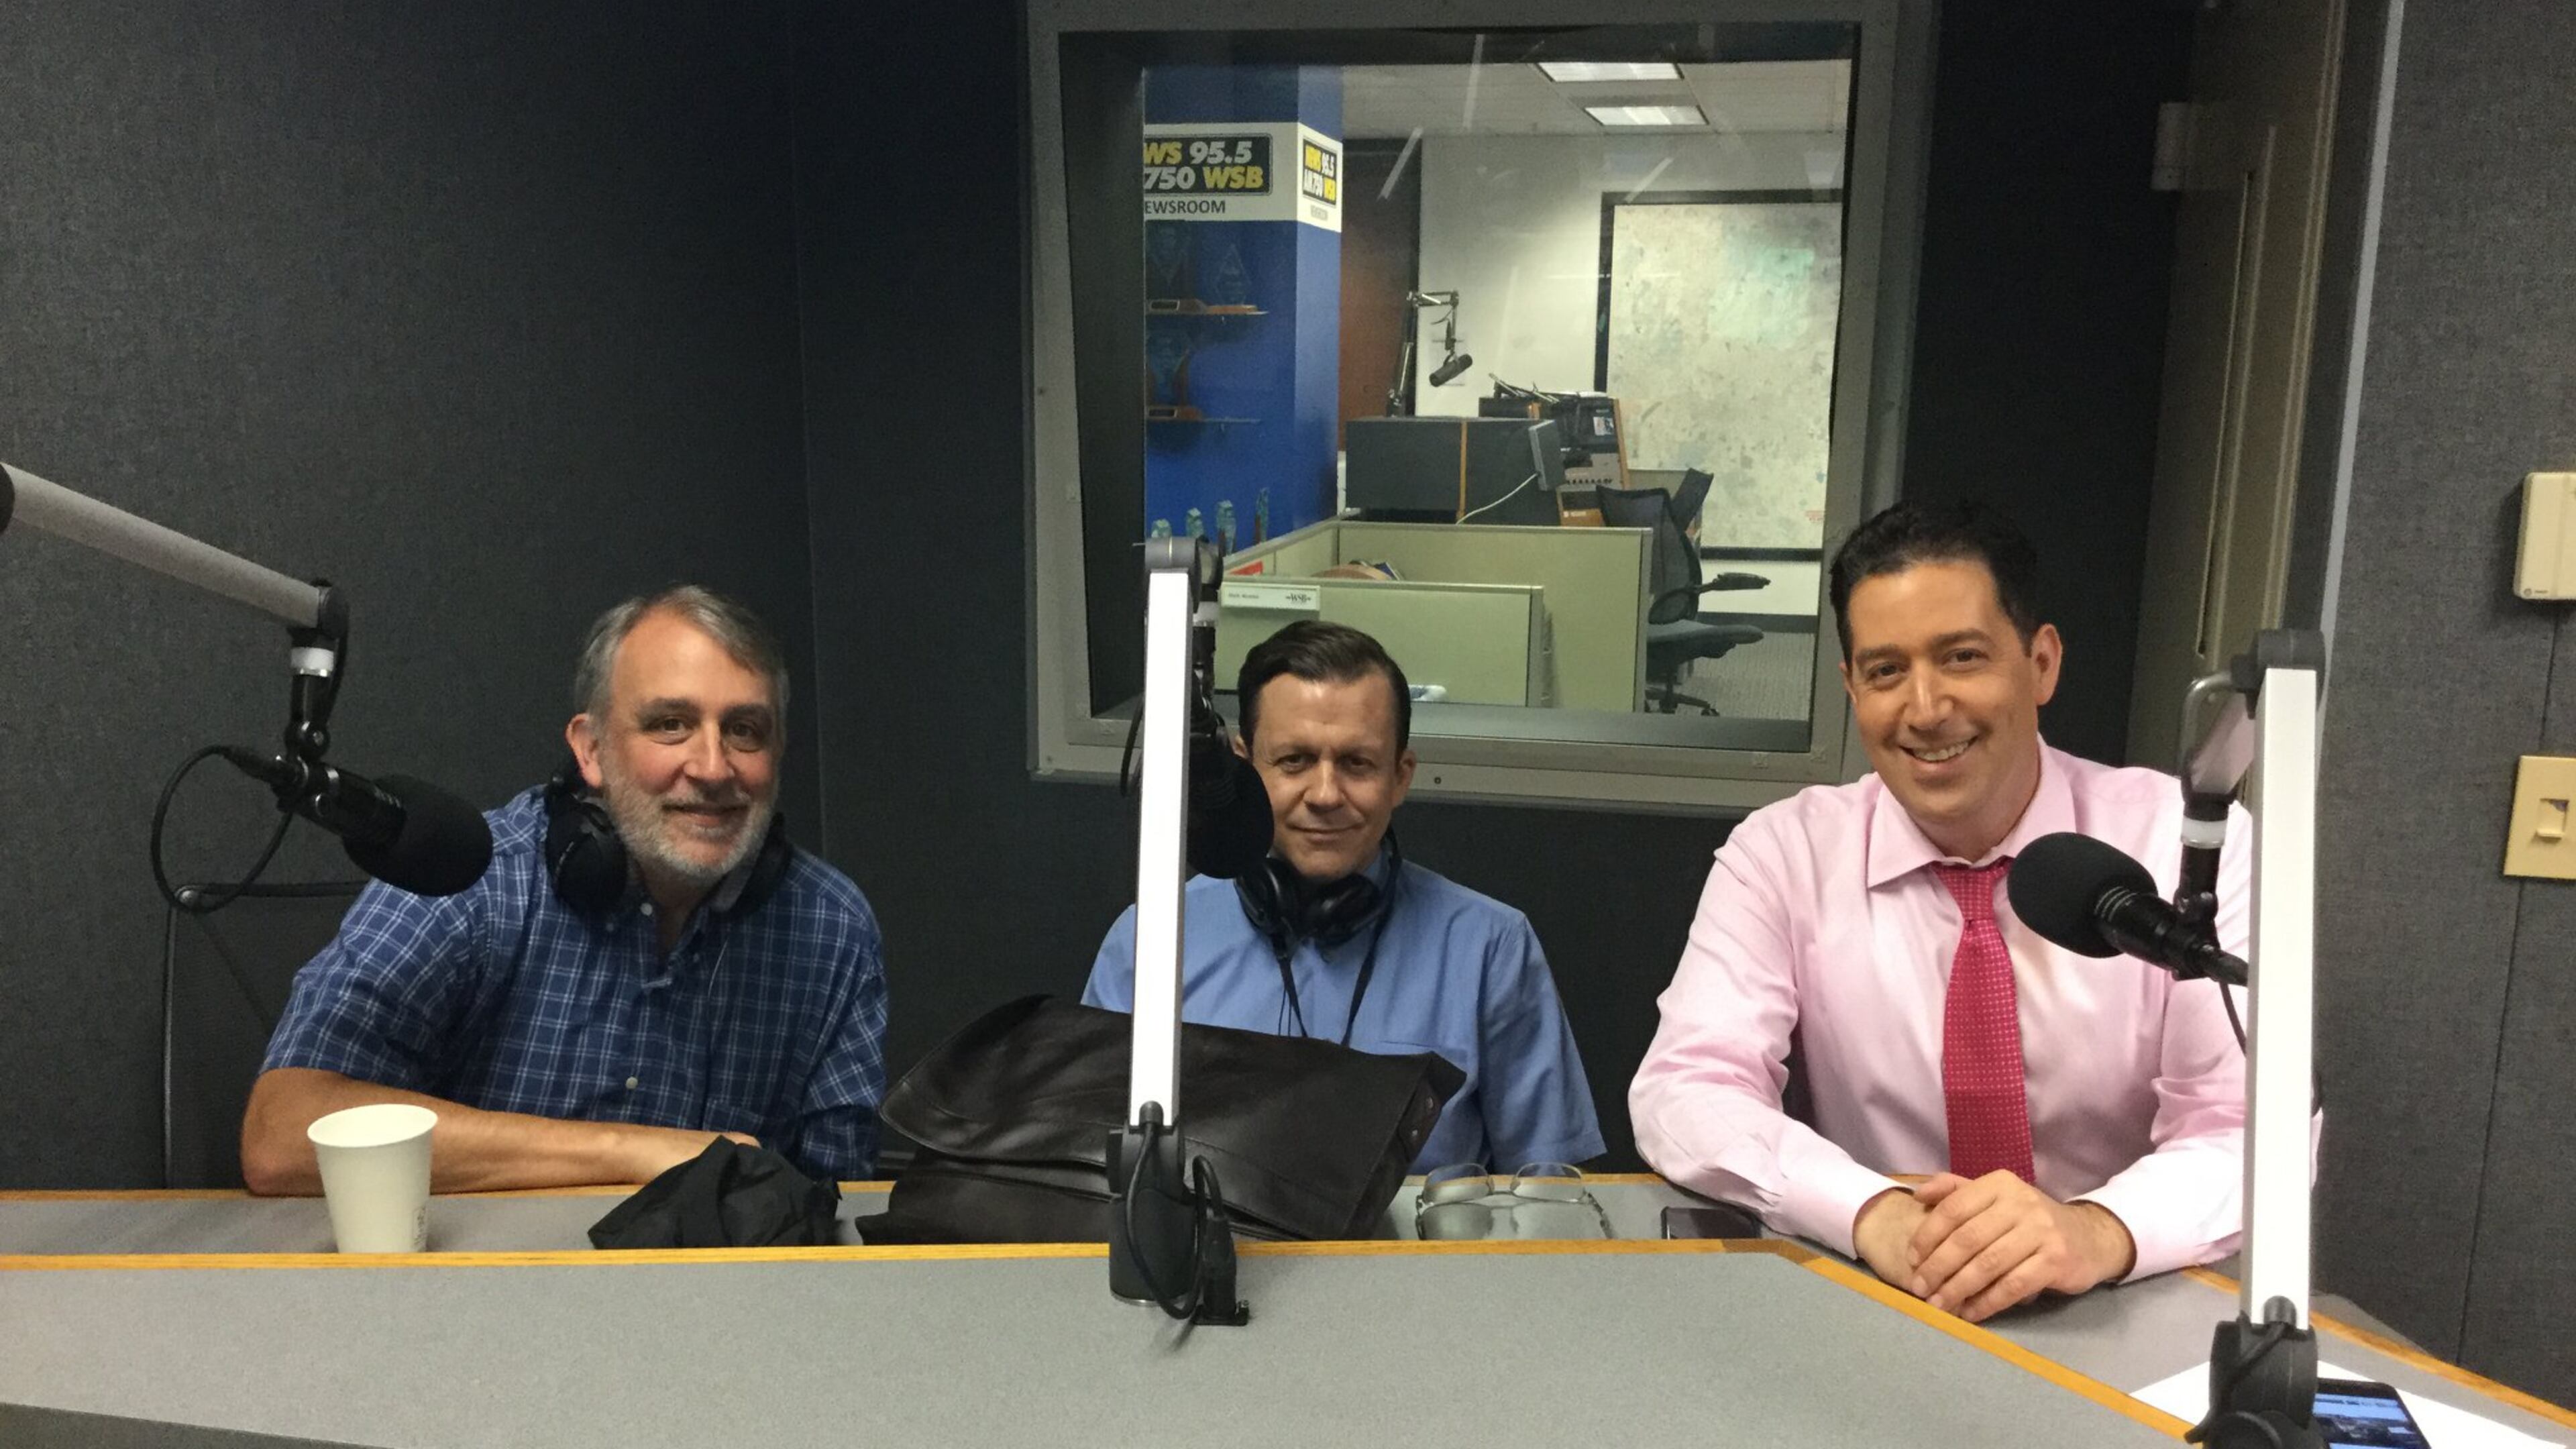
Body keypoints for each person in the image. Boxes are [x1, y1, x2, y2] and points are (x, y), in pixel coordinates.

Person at [1629, 500, 2255, 1323]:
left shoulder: (2186, 845)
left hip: (2128, 1299)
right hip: (1887, 1294)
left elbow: (2246, 1121)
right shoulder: (1785, 854)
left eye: (1961, 658)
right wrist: (1867, 1211)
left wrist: (2095, 1231)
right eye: (1886, 672)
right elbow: (1688, 1086)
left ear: (2041, 664)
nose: (1925, 709)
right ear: (1852, 687)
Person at [241, 586, 888, 1194]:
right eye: (670, 724)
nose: (713, 767)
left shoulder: (830, 929)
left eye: (745, 730)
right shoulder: (471, 880)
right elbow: (281, 1135)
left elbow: (839, 1199)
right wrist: (634, 1153)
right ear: (592, 750)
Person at [1083, 621, 1602, 1173]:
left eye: (1356, 763)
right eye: (1294, 761)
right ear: (1245, 767)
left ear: (1400, 777)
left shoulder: (1490, 948)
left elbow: (1549, 1192)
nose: (1326, 795)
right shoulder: (1153, 940)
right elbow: (1087, 1161)